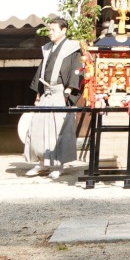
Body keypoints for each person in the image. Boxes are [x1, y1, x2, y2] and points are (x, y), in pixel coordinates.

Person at [21, 15, 84, 179]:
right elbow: (42, 72)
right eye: (49, 29)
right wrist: (38, 92)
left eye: (53, 30)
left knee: (59, 130)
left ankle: (58, 165)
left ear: (64, 30)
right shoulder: (47, 48)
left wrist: (68, 92)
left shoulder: (72, 48)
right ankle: (41, 163)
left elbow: (76, 70)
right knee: (38, 127)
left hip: (61, 93)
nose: (50, 33)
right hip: (47, 92)